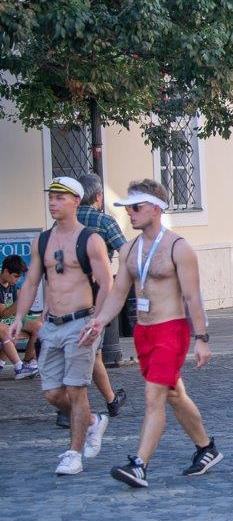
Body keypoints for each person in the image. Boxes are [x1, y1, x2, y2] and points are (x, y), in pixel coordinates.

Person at [79, 179, 222, 487]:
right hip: (144, 332)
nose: (129, 213)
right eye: (128, 207)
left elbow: (193, 296)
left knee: (154, 395)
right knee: (174, 394)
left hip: (171, 330)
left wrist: (201, 339)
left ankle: (139, 464)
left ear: (156, 209)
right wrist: (98, 322)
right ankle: (206, 448)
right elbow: (118, 292)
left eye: (136, 207)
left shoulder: (178, 247)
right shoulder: (129, 249)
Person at [8, 178, 112, 476]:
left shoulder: (90, 239)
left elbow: (107, 283)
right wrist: (19, 319)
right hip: (51, 326)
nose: (53, 202)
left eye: (59, 198)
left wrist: (97, 320)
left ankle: (74, 453)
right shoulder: (42, 240)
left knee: (75, 390)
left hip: (80, 323)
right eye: (51, 197)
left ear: (76, 201)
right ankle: (92, 422)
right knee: (52, 394)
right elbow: (30, 283)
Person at [75, 173, 127, 420]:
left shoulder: (65, 222)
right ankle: (72, 407)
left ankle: (111, 400)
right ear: (98, 196)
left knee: (92, 350)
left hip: (70, 291)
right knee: (86, 348)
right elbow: (124, 250)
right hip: (97, 291)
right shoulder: (105, 221)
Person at [0, 256, 41, 379]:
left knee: (39, 326)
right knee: (9, 330)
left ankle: (28, 361)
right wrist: (21, 300)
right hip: (3, 320)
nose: (17, 280)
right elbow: (4, 314)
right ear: (6, 271)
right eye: (16, 276)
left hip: (10, 319)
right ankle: (19, 367)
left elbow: (16, 311)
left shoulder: (11, 285)